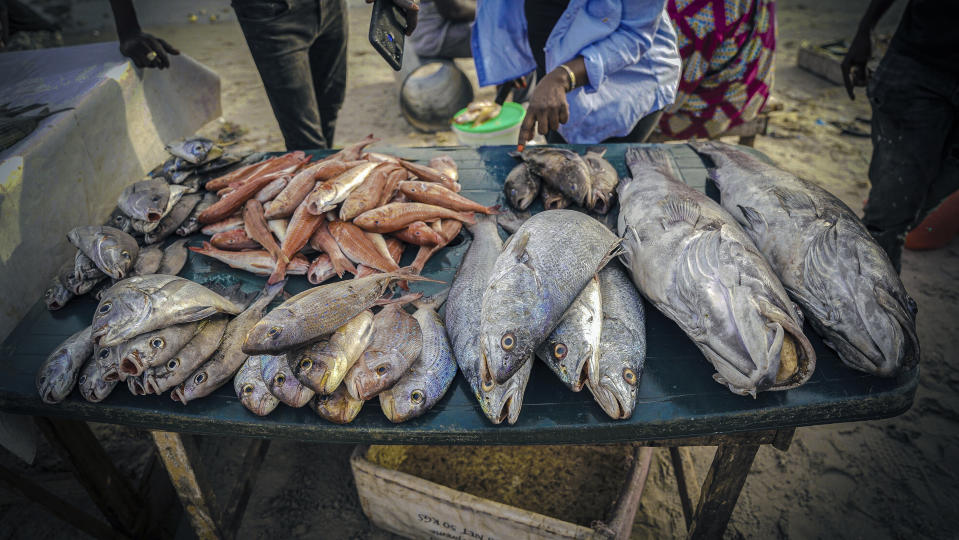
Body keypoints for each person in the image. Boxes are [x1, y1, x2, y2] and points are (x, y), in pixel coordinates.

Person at [109, 0, 420, 151]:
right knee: (304, 137)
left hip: (332, 6)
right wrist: (128, 29)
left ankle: (320, 179)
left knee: (330, 108)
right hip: (270, 13)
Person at [841, 0, 959, 272]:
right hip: (921, 64)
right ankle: (869, 296)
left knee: (916, 208)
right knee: (888, 217)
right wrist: (866, 29)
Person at [471, 0, 680, 147]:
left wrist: (563, 77)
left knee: (603, 179)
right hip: (553, 74)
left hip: (625, 84)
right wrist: (513, 52)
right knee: (559, 166)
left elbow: (634, 36)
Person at [657, 0, 776, 139]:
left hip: (720, 101)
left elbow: (671, 88)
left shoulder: (693, 14)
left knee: (635, 111)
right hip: (757, 77)